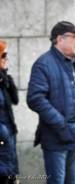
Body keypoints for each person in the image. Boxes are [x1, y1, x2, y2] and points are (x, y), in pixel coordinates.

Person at [27, 21, 75, 184]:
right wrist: (61, 124)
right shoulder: (44, 64)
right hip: (56, 137)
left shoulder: (71, 62)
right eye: (74, 37)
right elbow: (35, 99)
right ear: (59, 39)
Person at [0, 40, 19, 184]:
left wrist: (5, 74)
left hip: (8, 137)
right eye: (3, 55)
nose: (6, 58)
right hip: (2, 137)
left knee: (9, 176)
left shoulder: (3, 79)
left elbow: (15, 99)